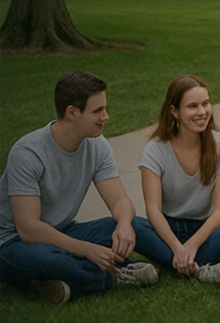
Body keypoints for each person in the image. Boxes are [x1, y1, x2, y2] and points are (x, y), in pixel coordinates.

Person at [0, 70, 158, 305]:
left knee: (135, 224)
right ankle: (117, 273)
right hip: (15, 243)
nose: (106, 116)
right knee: (50, 260)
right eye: (98, 111)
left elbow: (120, 202)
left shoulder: (97, 146)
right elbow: (28, 229)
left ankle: (183, 263)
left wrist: (124, 225)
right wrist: (86, 249)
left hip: (65, 230)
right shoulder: (27, 153)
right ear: (72, 112)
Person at [131, 74, 220, 282]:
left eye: (205, 104)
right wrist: (177, 247)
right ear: (175, 112)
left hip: (205, 230)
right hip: (166, 229)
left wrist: (192, 245)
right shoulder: (155, 149)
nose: (202, 112)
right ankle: (198, 267)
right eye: (192, 106)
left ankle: (170, 264)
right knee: (132, 226)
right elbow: (153, 209)